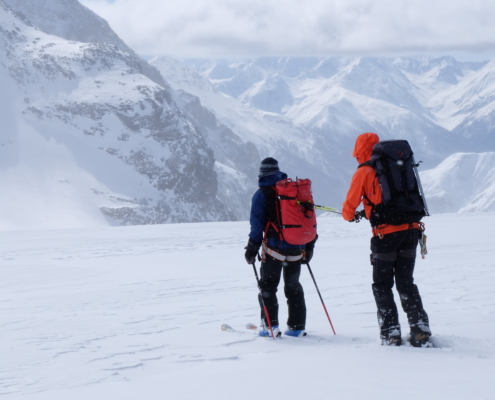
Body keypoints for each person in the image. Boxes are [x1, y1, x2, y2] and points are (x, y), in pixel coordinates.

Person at [342, 133, 432, 347]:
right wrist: (369, 210)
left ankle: (391, 332)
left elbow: (348, 210)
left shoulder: (364, 171)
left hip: (385, 236)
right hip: (411, 231)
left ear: (358, 151)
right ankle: (420, 328)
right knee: (406, 282)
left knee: (382, 285)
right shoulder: (397, 165)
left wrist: (355, 213)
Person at [244, 157, 317, 337]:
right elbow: (309, 221)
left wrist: (251, 248)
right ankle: (297, 327)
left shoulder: (261, 194)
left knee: (268, 287)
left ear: (261, 174)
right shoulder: (294, 192)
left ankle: (270, 327)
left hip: (274, 250)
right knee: (293, 286)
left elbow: (257, 225)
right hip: (296, 247)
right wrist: (309, 246)